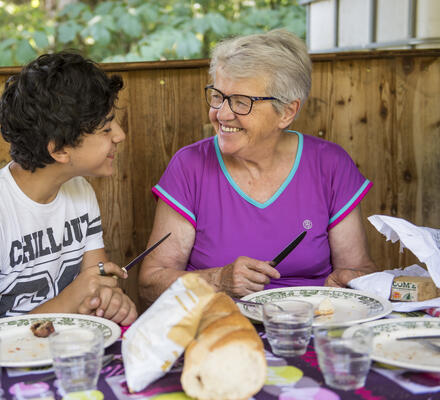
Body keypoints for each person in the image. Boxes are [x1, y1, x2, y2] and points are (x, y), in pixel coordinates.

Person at [138, 30, 378, 305]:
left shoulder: (330, 164)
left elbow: (361, 271)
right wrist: (218, 280)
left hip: (307, 323)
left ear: (287, 112)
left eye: (242, 102)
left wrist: (348, 284)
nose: (223, 114)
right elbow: (150, 283)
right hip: (216, 325)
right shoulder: (190, 165)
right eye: (218, 96)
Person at [0, 51, 137, 345]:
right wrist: (71, 299)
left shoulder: (80, 192)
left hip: (56, 355)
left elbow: (94, 287)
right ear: (60, 151)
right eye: (105, 128)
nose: (120, 135)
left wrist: (109, 298)